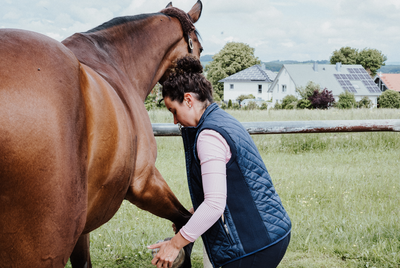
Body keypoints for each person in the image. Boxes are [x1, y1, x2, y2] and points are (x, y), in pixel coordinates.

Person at [147, 55, 291, 268]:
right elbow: (234, 185)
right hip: (270, 234)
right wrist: (192, 218)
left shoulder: (209, 136)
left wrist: (176, 244)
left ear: (188, 100)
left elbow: (215, 204)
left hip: (252, 245)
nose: (175, 121)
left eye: (173, 111)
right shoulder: (224, 120)